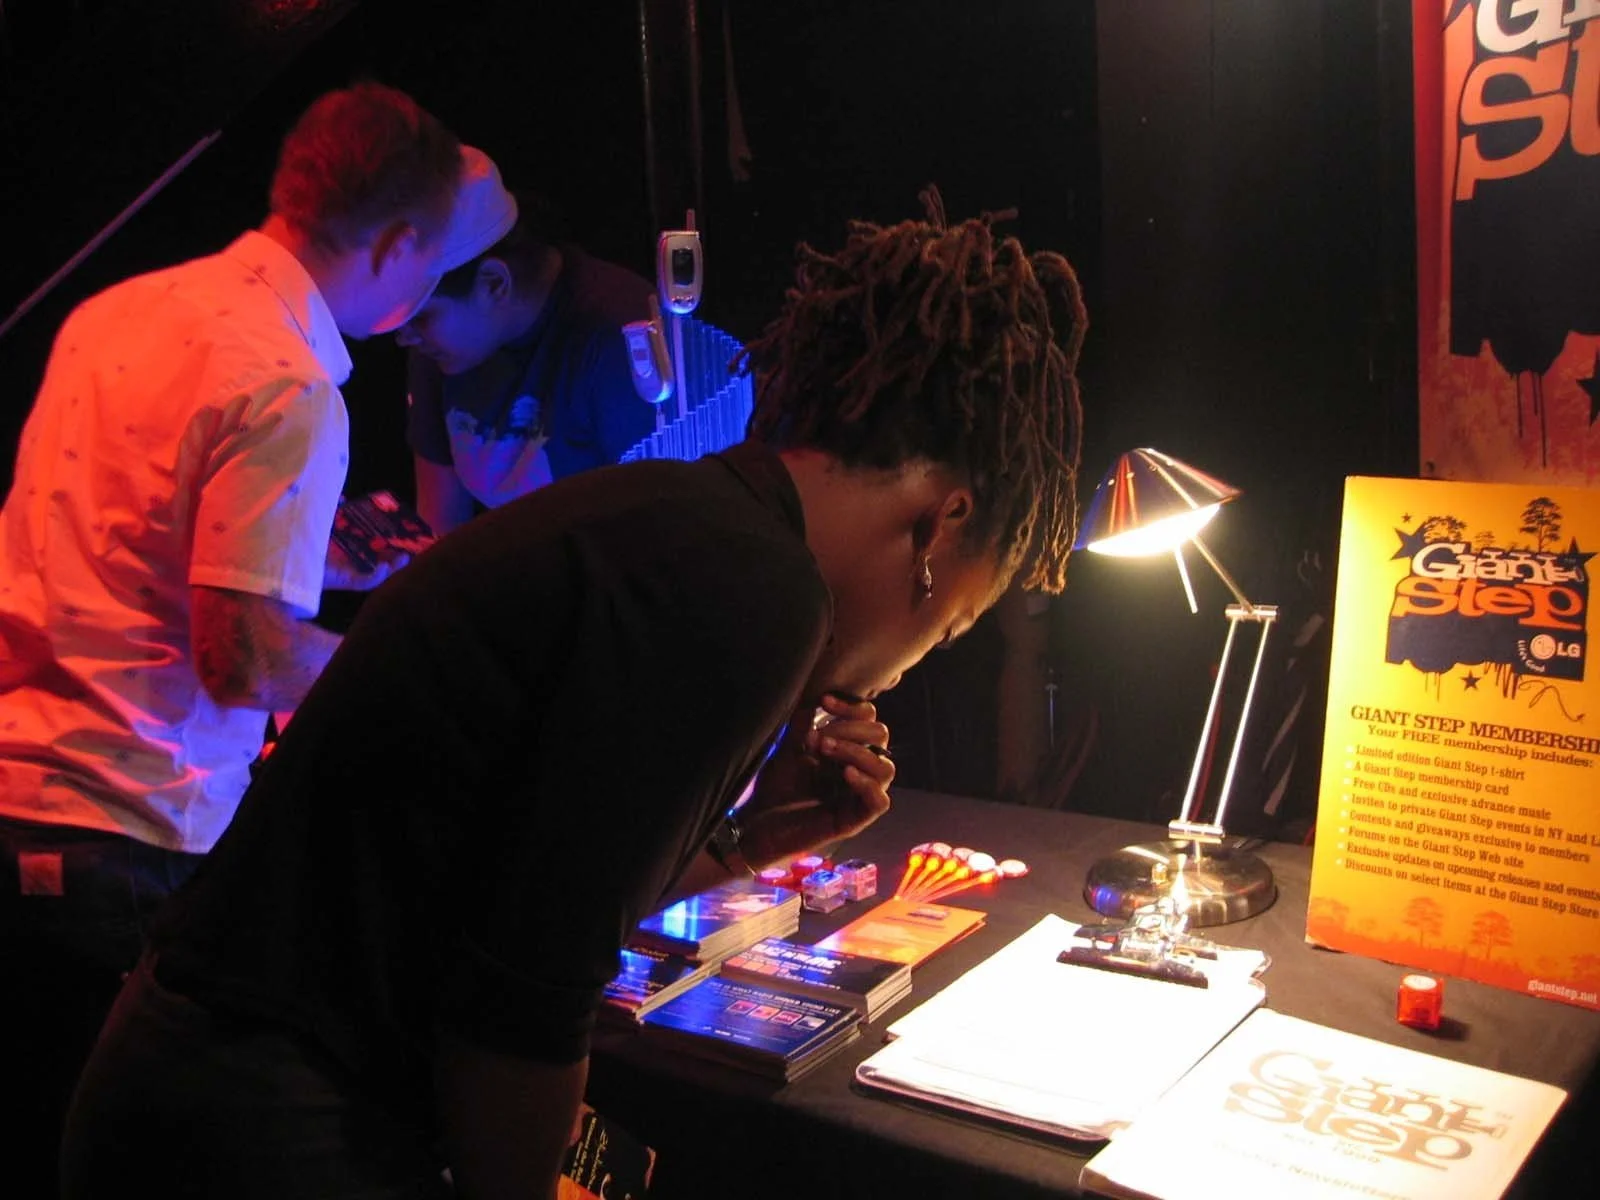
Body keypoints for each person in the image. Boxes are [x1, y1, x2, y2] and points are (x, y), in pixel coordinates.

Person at [59, 187, 1090, 1200]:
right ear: (942, 524)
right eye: (948, 625)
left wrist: (743, 846)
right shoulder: (759, 587)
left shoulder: (691, 522)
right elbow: (518, 1007)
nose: (910, 664)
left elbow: (519, 893)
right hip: (262, 1110)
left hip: (198, 1075)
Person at [0, 81, 504, 1195]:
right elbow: (243, 660)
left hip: (18, 818)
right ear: (403, 244)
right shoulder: (286, 381)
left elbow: (115, 535)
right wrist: (425, 674)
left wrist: (314, 558)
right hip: (129, 847)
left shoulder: (118, 312)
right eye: (431, 267)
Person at [394, 165, 660, 535]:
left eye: (419, 316)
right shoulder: (439, 351)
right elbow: (440, 526)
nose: (403, 336)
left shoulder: (618, 343)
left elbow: (653, 534)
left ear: (494, 282)